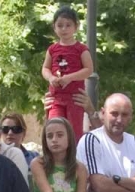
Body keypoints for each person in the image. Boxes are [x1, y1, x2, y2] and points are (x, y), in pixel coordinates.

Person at [42, 5, 93, 142]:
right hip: (56, 97)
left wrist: (70, 78)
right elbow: (45, 69)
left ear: (76, 27)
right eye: (60, 25)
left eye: (68, 25)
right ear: (54, 27)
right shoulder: (52, 49)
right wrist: (51, 78)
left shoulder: (81, 49)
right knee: (54, 128)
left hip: (74, 97)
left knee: (73, 132)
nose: (64, 29)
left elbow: (89, 69)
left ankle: (73, 158)